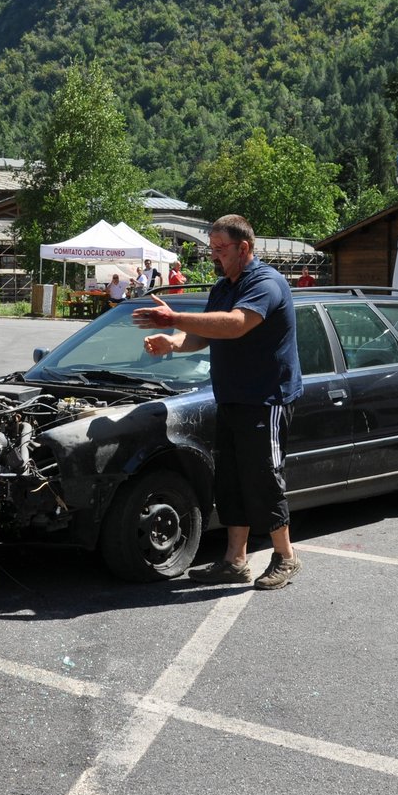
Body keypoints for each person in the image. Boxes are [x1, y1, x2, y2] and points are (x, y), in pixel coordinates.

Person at [133, 214, 304, 590]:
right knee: (230, 480)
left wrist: (174, 316)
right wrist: (173, 342)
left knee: (263, 477)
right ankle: (234, 561)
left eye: (220, 249)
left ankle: (286, 556)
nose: (214, 256)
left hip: (266, 399)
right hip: (231, 397)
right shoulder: (223, 285)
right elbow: (207, 334)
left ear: (244, 248)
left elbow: (236, 324)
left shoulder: (265, 283)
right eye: (211, 249)